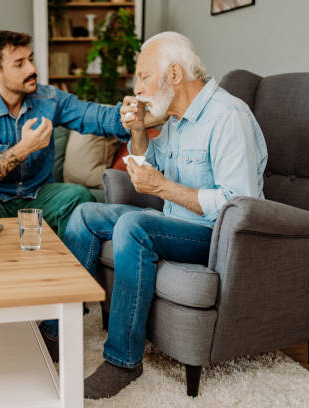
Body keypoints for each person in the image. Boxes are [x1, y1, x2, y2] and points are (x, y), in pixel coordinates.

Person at [41, 31, 268, 399]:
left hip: (214, 237)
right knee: (84, 214)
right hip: (174, 225)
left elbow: (239, 205)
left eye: (143, 76)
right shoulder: (177, 120)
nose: (137, 87)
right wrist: (137, 132)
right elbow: (151, 162)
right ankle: (55, 332)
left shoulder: (228, 116)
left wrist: (162, 188)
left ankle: (123, 362)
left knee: (133, 224)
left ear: (174, 75)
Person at [0, 30, 135, 239]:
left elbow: (94, 116)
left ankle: (72, 269)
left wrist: (137, 114)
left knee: (78, 196)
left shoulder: (48, 98)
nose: (32, 69)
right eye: (19, 63)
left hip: (37, 196)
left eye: (31, 60)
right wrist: (24, 149)